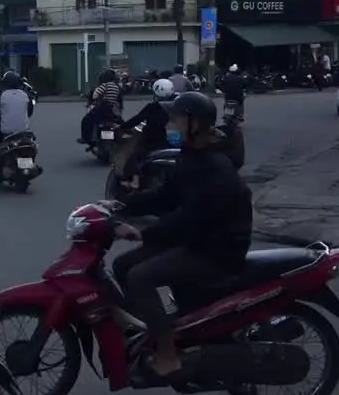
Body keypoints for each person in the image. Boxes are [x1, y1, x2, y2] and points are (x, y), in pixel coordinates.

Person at [109, 91, 252, 379]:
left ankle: (167, 352)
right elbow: (166, 197)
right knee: (122, 266)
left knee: (139, 276)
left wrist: (145, 233)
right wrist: (120, 204)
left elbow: (189, 218)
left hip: (216, 249)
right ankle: (148, 331)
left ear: (194, 123)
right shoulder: (191, 157)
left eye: (177, 117)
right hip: (200, 238)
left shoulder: (214, 164)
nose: (171, 122)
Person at [116, 78, 177, 185]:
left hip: (156, 143)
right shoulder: (177, 105)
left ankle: (135, 180)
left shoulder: (153, 107)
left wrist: (122, 127)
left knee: (136, 154)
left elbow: (137, 119)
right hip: (176, 144)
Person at [0, 70, 34, 163]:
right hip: (24, 131)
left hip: (7, 131)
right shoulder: (25, 95)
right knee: (33, 139)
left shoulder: (2, 95)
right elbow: (29, 112)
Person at [79, 68, 123, 143]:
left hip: (102, 108)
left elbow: (95, 95)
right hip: (112, 109)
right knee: (120, 122)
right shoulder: (117, 87)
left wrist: (94, 97)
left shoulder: (104, 85)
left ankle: (85, 138)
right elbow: (119, 98)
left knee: (86, 120)